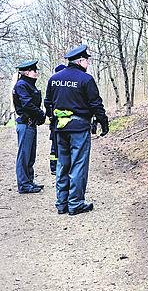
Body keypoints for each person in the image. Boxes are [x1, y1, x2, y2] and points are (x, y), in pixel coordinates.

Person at [44, 45, 109, 215]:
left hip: (60, 128)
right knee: (79, 164)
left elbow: (48, 103)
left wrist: (54, 120)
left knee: (62, 164)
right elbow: (96, 104)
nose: (88, 63)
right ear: (80, 61)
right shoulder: (85, 79)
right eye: (87, 60)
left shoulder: (54, 79)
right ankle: (75, 203)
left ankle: (62, 203)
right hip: (79, 128)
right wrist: (103, 122)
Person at [12, 60, 47, 194]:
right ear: (26, 72)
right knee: (24, 155)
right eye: (34, 70)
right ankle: (24, 185)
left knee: (30, 155)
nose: (36, 72)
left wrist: (38, 116)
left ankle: (29, 181)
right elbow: (27, 104)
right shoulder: (22, 85)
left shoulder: (27, 84)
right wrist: (41, 114)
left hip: (30, 124)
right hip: (25, 124)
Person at [48, 64, 66, 175]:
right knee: (55, 146)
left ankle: (58, 166)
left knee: (58, 145)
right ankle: (54, 166)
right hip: (56, 121)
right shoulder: (54, 85)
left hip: (58, 122)